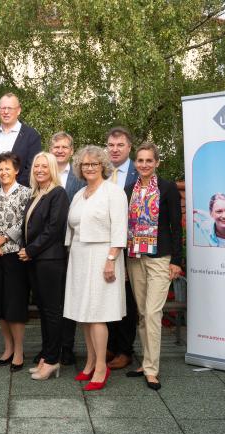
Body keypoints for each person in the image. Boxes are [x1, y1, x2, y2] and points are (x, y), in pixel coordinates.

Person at [63, 145, 127, 391]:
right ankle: (89, 362)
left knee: (98, 314)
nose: (89, 168)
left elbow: (120, 228)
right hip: (79, 256)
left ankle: (101, 366)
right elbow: (72, 229)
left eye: (94, 164)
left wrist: (111, 258)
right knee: (84, 315)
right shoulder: (80, 194)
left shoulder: (114, 192)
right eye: (85, 165)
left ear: (103, 166)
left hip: (103, 256)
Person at [123, 142, 182, 390]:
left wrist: (177, 261)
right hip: (135, 257)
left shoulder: (167, 188)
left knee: (153, 313)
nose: (144, 164)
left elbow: (176, 226)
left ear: (157, 163)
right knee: (143, 313)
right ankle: (146, 362)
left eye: (149, 160)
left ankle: (151, 369)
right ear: (135, 163)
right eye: (140, 160)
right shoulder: (128, 190)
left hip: (160, 258)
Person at [18, 152, 69, 381]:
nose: (39, 170)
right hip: (37, 261)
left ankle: (52, 360)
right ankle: (46, 357)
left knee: (52, 312)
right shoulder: (37, 193)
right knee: (44, 313)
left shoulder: (58, 193)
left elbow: (54, 228)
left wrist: (30, 250)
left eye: (44, 167)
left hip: (50, 261)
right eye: (36, 166)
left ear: (52, 169)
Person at [0, 153, 31, 372]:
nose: (3, 173)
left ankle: (19, 351)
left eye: (7, 169)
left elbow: (24, 221)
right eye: (0, 169)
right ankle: (7, 348)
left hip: (14, 256)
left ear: (16, 170)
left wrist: (3, 239)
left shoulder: (26, 193)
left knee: (15, 305)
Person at [48, 131, 86, 366]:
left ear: (72, 151)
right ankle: (49, 347)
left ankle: (67, 347)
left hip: (73, 245)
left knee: (70, 298)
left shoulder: (80, 177)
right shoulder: (43, 173)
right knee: (50, 300)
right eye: (56, 147)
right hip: (47, 246)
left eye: (64, 147)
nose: (60, 150)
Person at [104, 126, 138, 371]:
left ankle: (125, 350)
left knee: (126, 298)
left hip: (131, 246)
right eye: (111, 145)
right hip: (105, 245)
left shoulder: (140, 173)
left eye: (120, 145)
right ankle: (110, 345)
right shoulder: (101, 172)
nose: (114, 150)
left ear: (129, 148)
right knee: (107, 293)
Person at [0, 93, 41, 194]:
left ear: (18, 110)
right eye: (3, 108)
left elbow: (32, 169)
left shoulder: (31, 136)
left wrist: (11, 193)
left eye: (10, 108)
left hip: (21, 199)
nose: (6, 112)